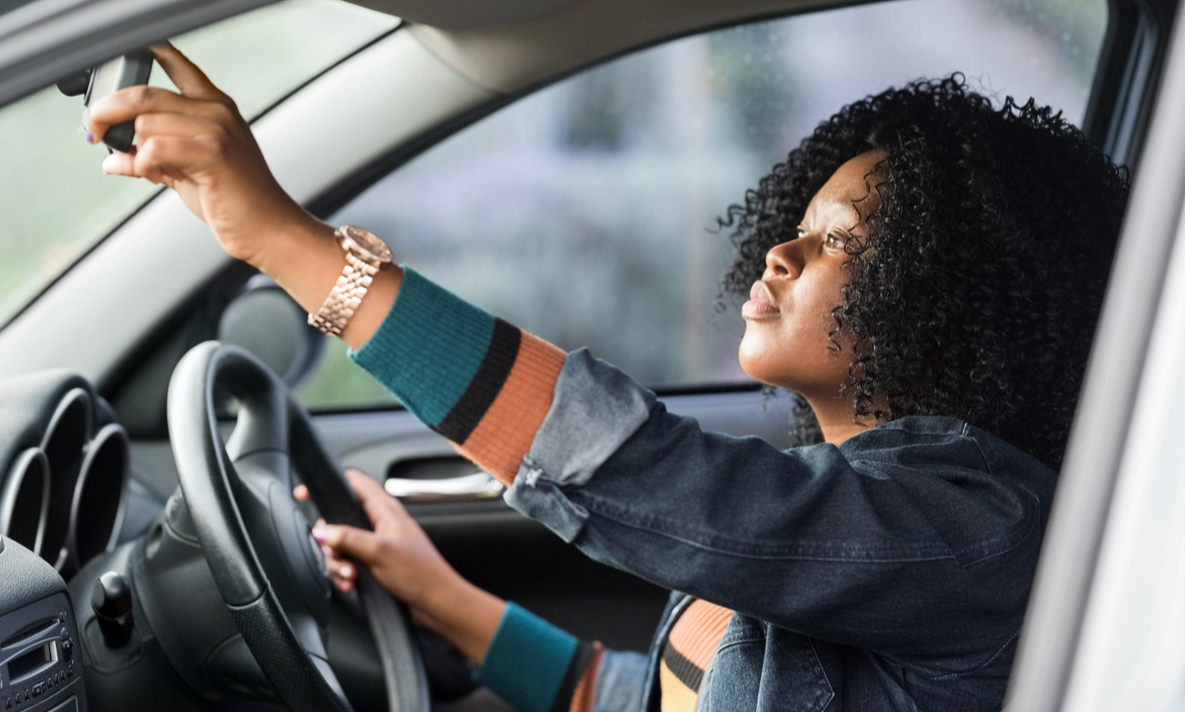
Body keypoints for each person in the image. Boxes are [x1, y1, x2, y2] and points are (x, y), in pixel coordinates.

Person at [89, 43, 1127, 712]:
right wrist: (444, 598)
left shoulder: (973, 528)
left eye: (840, 245)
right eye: (794, 230)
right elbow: (647, 695)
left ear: (950, 299)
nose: (780, 255)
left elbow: (639, 471)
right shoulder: (847, 513)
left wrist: (286, 241)